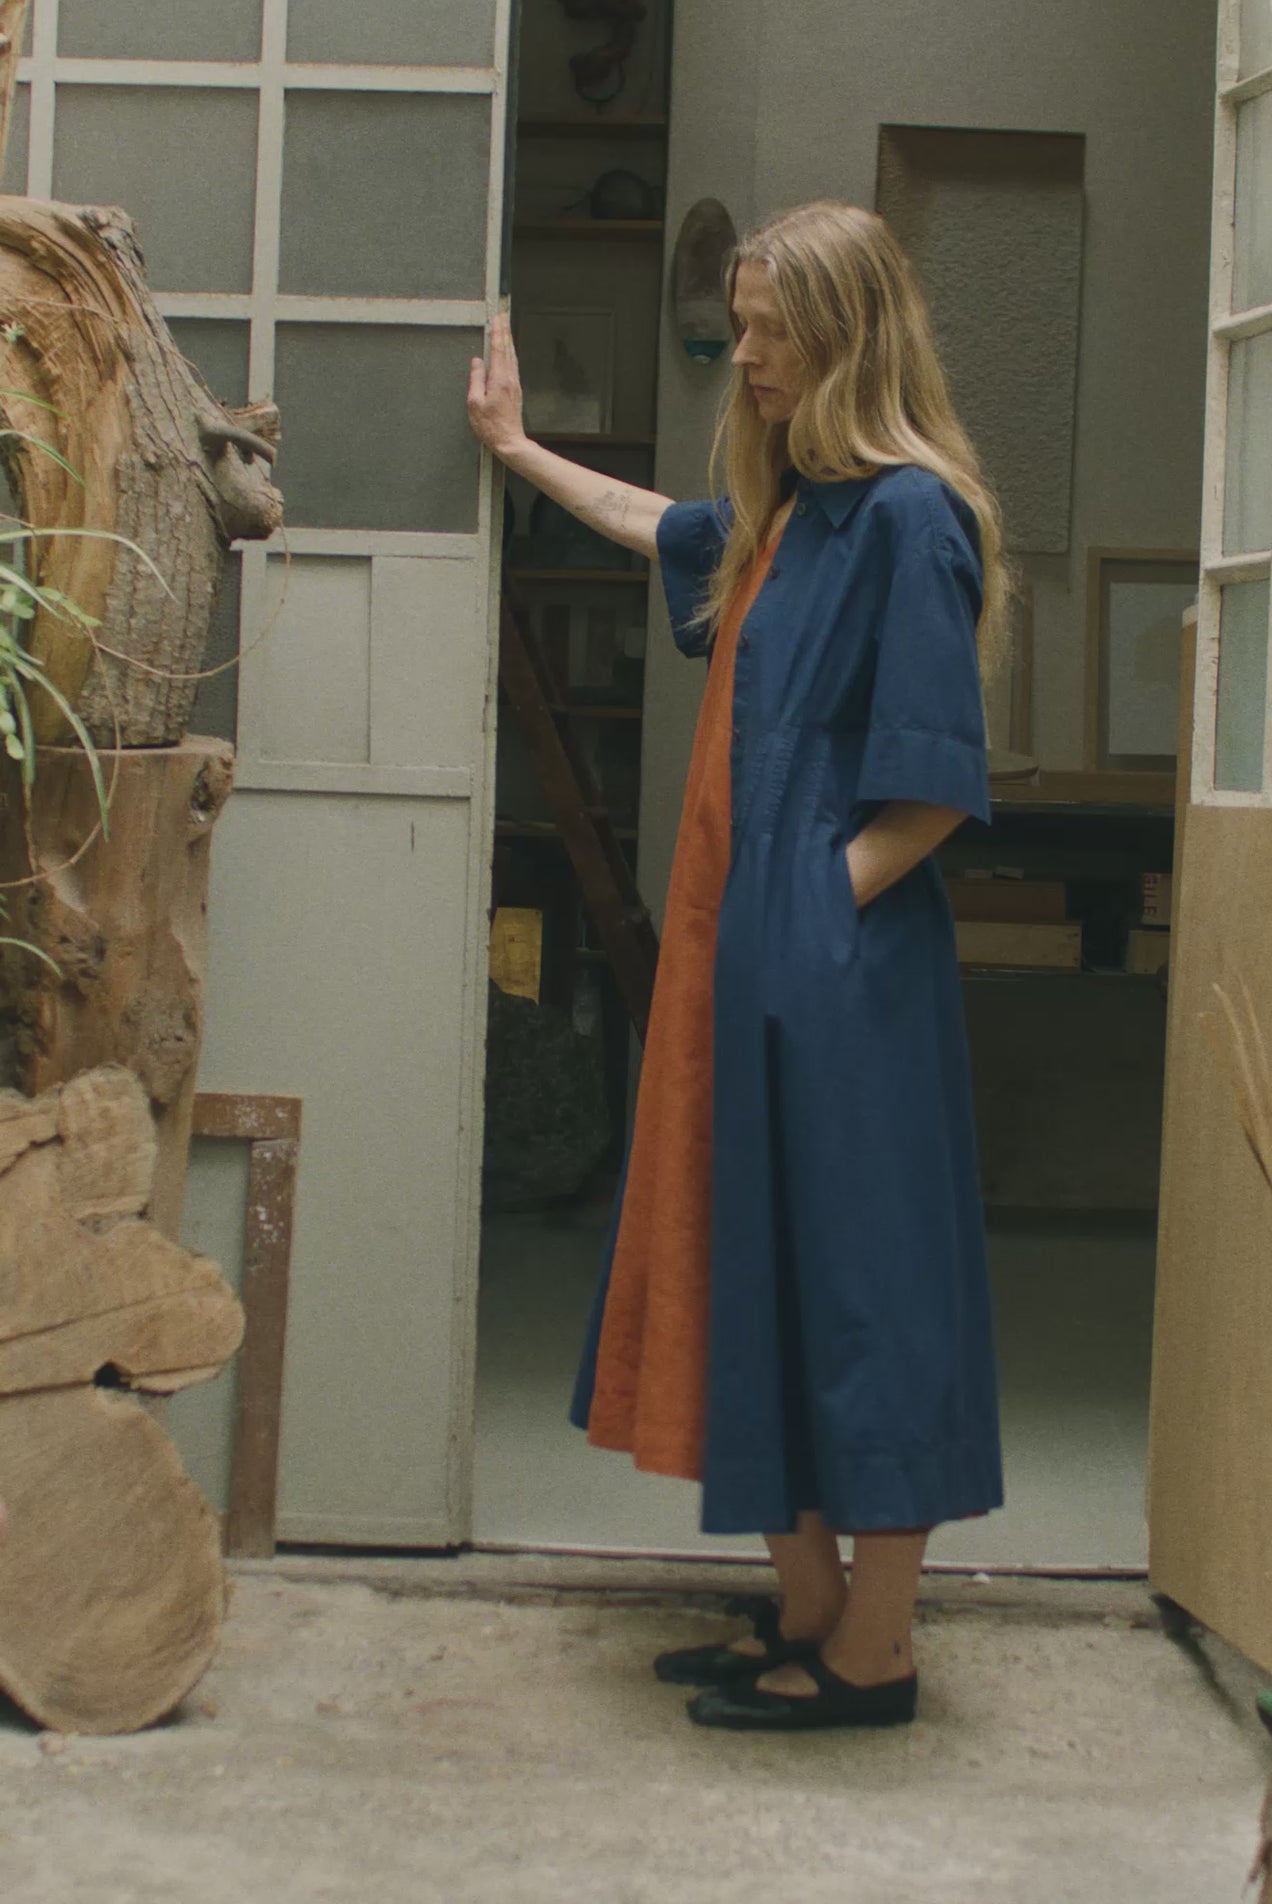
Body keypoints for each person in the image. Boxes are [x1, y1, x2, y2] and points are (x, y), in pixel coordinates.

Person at [467, 200, 1007, 1733]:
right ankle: (813, 1609)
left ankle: (874, 1653)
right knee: (758, 1265)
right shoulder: (794, 513)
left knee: (864, 1287)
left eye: (769, 329)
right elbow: (656, 524)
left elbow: (932, 793)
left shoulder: (908, 519)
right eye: (744, 323)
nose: (744, 353)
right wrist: (514, 449)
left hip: (838, 973)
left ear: (846, 335)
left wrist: (811, 911)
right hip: (746, 955)